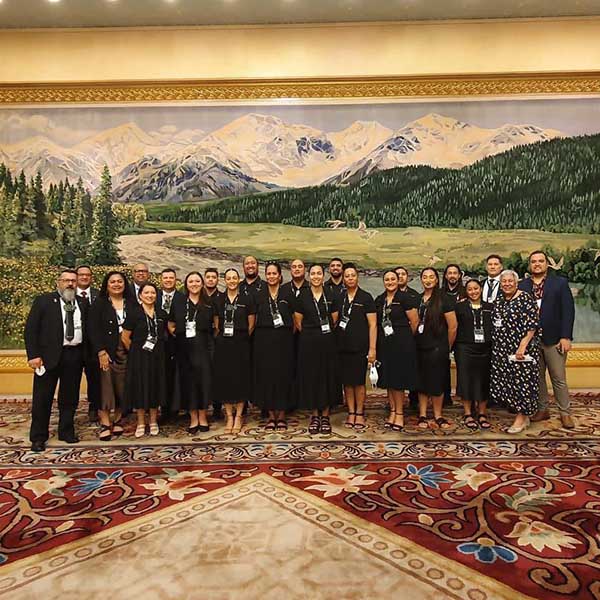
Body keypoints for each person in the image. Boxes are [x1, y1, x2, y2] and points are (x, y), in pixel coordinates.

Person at [25, 269, 86, 452]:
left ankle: (66, 432)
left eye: (73, 281)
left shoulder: (82, 302)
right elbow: (31, 330)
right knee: (42, 398)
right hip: (47, 357)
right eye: (66, 280)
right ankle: (38, 437)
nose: (70, 284)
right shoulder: (44, 301)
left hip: (74, 356)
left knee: (69, 398)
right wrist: (33, 355)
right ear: (58, 282)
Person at [519, 250, 575, 428]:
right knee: (537, 378)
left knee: (558, 378)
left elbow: (568, 312)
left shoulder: (559, 284)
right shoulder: (522, 285)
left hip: (554, 339)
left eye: (540, 261)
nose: (537, 264)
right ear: (530, 265)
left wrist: (565, 336)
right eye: (533, 261)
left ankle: (565, 413)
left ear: (546, 264)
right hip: (531, 340)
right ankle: (542, 409)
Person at [491, 270, 540, 433]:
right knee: (510, 383)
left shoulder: (525, 298)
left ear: (516, 282)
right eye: (503, 281)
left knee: (522, 383)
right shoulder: (499, 300)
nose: (507, 284)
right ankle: (524, 416)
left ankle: (520, 418)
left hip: (521, 349)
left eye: (510, 281)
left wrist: (523, 345)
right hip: (502, 348)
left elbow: (532, 325)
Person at [294, 264, 341, 435]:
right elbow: (298, 322)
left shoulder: (331, 294)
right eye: (312, 273)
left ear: (323, 275)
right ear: (309, 276)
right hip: (308, 342)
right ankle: (315, 415)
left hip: (328, 341)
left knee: (326, 376)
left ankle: (326, 416)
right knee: (312, 376)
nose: (315, 276)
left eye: (319, 273)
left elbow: (334, 319)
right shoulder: (303, 296)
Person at [88, 271, 132, 441]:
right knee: (105, 388)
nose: (116, 284)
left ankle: (119, 419)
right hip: (106, 352)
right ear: (107, 285)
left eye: (119, 281)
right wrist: (101, 351)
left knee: (122, 388)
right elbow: (93, 329)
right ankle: (106, 423)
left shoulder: (132, 303)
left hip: (127, 351)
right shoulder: (99, 304)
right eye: (112, 281)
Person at [168, 272, 214, 434]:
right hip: (184, 349)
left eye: (197, 281)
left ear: (202, 284)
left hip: (203, 348)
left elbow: (215, 326)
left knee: (203, 383)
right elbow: (171, 324)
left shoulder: (208, 302)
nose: (194, 284)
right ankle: (193, 418)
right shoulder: (179, 302)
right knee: (188, 383)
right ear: (186, 285)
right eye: (190, 281)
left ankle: (203, 416)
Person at [212, 268, 256, 435]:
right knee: (226, 380)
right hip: (224, 345)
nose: (231, 281)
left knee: (241, 379)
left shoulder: (247, 298)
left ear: (239, 280)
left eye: (234, 278)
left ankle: (239, 415)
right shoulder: (218, 300)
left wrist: (242, 337)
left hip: (241, 344)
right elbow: (217, 324)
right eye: (228, 278)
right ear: (225, 280)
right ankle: (229, 415)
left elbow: (251, 324)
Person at [121, 283, 168, 438]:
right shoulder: (134, 313)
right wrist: (135, 351)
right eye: (146, 293)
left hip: (157, 357)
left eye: (153, 293)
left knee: (155, 387)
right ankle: (141, 422)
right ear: (140, 295)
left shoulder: (161, 313)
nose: (150, 295)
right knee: (140, 388)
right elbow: (125, 337)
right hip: (139, 357)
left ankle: (153, 421)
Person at [375, 269, 419, 431]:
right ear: (383, 281)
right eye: (387, 279)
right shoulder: (380, 299)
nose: (390, 282)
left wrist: (405, 337)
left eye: (393, 279)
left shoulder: (405, 298)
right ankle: (392, 411)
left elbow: (414, 322)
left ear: (398, 280)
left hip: (402, 343)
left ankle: (399, 414)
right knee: (388, 379)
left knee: (398, 380)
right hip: (384, 344)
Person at [253, 262, 295, 431]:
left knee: (283, 377)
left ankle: (282, 414)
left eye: (274, 273)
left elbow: (296, 320)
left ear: (279, 275)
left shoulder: (288, 293)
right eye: (268, 273)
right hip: (264, 340)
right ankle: (271, 415)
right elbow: (253, 320)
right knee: (268, 377)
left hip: (284, 340)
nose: (271, 276)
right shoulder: (259, 295)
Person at [415, 267, 457, 430]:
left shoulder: (444, 299)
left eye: (431, 277)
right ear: (421, 280)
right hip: (420, 346)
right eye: (424, 277)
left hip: (438, 348)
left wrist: (446, 347)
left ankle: (438, 415)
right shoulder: (418, 299)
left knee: (437, 382)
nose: (428, 280)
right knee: (422, 382)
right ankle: (423, 414)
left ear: (437, 280)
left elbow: (453, 326)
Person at [336, 263, 377, 431]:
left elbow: (373, 325)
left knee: (359, 382)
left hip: (360, 347)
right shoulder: (340, 298)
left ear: (357, 277)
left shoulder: (366, 297)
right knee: (347, 382)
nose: (350, 278)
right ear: (343, 278)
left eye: (353, 275)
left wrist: (372, 349)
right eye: (347, 276)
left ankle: (359, 413)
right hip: (342, 346)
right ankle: (351, 411)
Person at [454, 279, 494, 430]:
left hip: (486, 348)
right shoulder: (459, 307)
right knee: (466, 379)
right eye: (470, 289)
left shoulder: (491, 307)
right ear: (466, 291)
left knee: (483, 379)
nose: (473, 292)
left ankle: (482, 413)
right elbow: (454, 326)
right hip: (464, 347)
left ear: (481, 289)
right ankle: (467, 413)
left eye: (476, 288)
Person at [157, 268, 184, 423]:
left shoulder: (182, 298)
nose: (168, 280)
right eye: (165, 278)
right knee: (162, 376)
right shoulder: (154, 296)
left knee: (176, 376)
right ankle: (164, 410)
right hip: (158, 344)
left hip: (177, 342)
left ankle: (177, 408)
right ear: (161, 280)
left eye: (171, 278)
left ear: (176, 280)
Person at [76, 265, 101, 423]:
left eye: (88, 275)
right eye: (81, 275)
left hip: (93, 345)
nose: (85, 278)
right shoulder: (67, 295)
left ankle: (94, 406)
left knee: (94, 378)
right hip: (74, 345)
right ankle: (70, 408)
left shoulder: (99, 295)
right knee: (72, 378)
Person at [204, 267, 223, 420]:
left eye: (213, 277)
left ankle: (217, 407)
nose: (210, 279)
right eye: (208, 277)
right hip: (199, 339)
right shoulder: (198, 296)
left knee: (217, 372)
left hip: (216, 339)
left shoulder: (221, 297)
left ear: (217, 280)